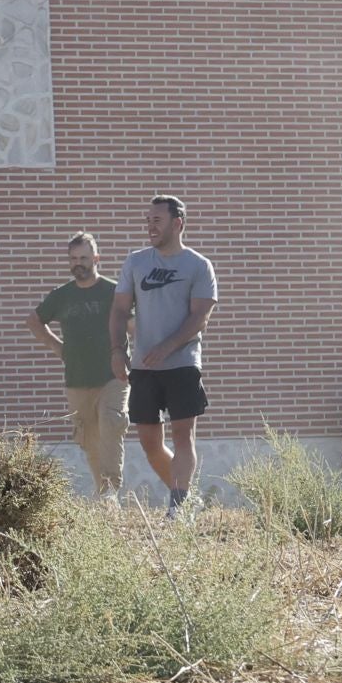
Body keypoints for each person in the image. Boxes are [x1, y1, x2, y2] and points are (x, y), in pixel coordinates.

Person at [110, 195, 218, 518]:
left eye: (157, 220)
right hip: (143, 367)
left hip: (183, 363)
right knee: (149, 442)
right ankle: (187, 496)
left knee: (183, 435)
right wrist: (117, 351)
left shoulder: (198, 265)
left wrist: (168, 346)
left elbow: (200, 317)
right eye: (147, 220)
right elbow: (118, 310)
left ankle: (178, 508)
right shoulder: (136, 261)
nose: (150, 226)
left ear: (178, 223)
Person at [28, 232, 126, 499]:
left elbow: (132, 324)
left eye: (84, 257)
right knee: (89, 439)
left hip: (113, 375)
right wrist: (58, 347)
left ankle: (111, 493)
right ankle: (103, 491)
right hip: (77, 377)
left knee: (111, 422)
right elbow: (35, 321)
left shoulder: (113, 290)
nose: (78, 263)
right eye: (73, 259)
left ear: (96, 259)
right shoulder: (62, 295)